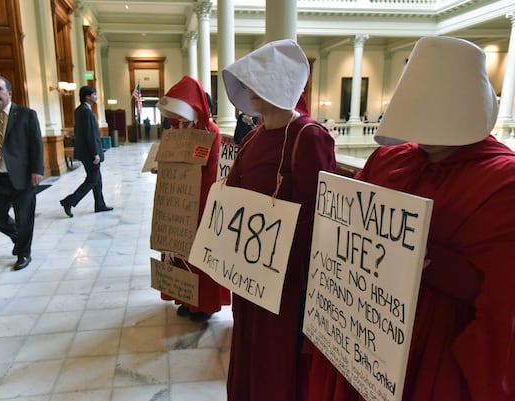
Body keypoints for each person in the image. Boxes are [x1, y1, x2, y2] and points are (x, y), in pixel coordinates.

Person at [308, 36, 515, 401]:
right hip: (363, 323)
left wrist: (433, 264)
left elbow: (501, 299)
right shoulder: (387, 160)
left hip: (434, 340)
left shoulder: (504, 181)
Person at [221, 39, 336, 401]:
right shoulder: (253, 138)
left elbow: (321, 217)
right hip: (249, 271)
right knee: (250, 346)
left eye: (261, 80)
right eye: (250, 81)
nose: (252, 89)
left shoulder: (309, 136)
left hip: (287, 282)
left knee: (277, 361)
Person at [155, 75, 231, 321]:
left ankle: (204, 304)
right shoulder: (176, 129)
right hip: (178, 199)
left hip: (200, 201)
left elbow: (209, 166)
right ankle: (185, 298)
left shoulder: (210, 131)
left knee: (198, 255)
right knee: (178, 251)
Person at [0, 75, 44, 271]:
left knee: (24, 217)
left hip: (22, 177)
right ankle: (19, 239)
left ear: (9, 93)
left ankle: (23, 253)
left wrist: (37, 169)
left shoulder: (26, 115)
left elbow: (36, 144)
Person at [60, 86, 113, 217]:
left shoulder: (80, 110)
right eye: (94, 94)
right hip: (89, 153)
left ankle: (100, 204)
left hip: (85, 151)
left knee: (97, 179)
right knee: (92, 180)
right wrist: (95, 153)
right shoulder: (86, 112)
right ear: (87, 97)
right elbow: (90, 134)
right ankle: (69, 201)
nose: (96, 96)